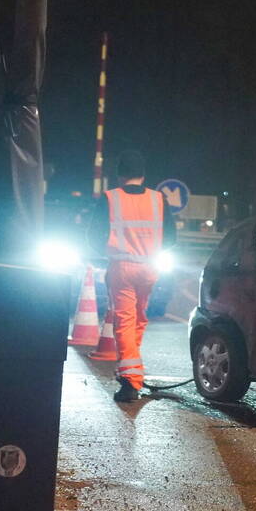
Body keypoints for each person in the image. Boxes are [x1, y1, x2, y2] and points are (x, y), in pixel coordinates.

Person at [89, 150, 177, 402]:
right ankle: (133, 371)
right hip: (150, 268)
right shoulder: (158, 199)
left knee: (124, 321)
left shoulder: (111, 198)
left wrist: (108, 251)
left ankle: (130, 380)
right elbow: (171, 237)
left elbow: (93, 236)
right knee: (139, 318)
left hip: (122, 268)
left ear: (119, 175)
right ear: (143, 175)